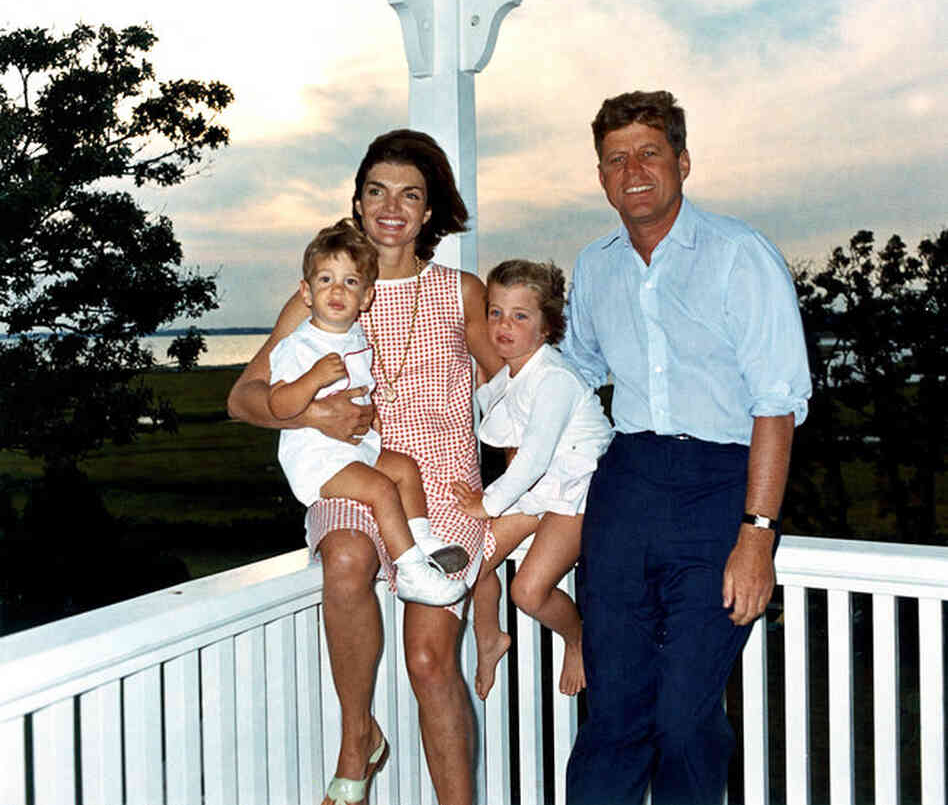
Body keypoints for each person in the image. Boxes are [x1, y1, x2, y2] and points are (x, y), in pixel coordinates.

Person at [227, 130, 501, 805]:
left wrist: (516, 497)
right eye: (376, 190)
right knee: (346, 556)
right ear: (357, 200)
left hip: (441, 487)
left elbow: (516, 393)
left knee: (431, 661)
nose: (391, 206)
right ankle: (357, 739)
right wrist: (313, 417)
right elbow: (242, 399)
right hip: (355, 470)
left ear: (430, 211)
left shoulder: (462, 291)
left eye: (410, 194)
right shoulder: (325, 290)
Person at [562, 91, 812, 805]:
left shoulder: (740, 255)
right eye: (615, 158)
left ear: (683, 161)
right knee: (612, 708)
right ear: (602, 176)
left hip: (718, 489)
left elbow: (777, 402)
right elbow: (574, 378)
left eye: (649, 152)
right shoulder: (597, 264)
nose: (632, 169)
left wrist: (757, 536)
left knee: (684, 714)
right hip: (626, 487)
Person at [268, 218, 468, 607]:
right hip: (317, 460)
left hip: (354, 449)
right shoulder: (299, 346)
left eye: (350, 282)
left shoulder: (355, 336)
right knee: (380, 488)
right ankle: (411, 573)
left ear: (366, 297)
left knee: (404, 468)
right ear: (305, 292)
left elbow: (357, 389)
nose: (337, 290)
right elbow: (279, 406)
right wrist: (310, 380)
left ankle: (422, 541)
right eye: (325, 280)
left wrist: (369, 411)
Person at [453, 259, 613, 700]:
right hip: (539, 494)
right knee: (472, 561)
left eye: (520, 316)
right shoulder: (513, 374)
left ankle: (576, 636)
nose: (504, 325)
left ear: (546, 328)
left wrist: (485, 505)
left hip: (575, 492)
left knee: (527, 591)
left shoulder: (555, 378)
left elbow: (533, 459)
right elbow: (504, 427)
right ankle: (491, 638)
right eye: (496, 312)